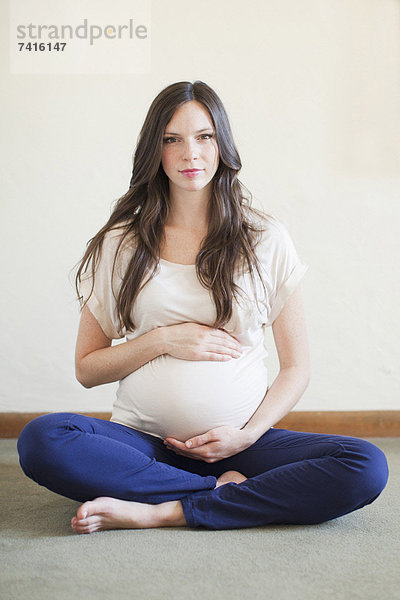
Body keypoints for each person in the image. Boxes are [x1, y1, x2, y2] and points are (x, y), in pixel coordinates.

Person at [17, 80, 388, 534]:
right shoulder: (122, 244)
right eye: (171, 139)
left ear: (222, 144)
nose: (189, 153)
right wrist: (163, 339)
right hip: (143, 442)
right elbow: (88, 368)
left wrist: (247, 434)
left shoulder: (265, 239)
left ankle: (162, 508)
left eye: (204, 136)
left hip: (241, 446)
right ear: (154, 150)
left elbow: (297, 369)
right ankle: (218, 493)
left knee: (366, 464)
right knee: (42, 439)